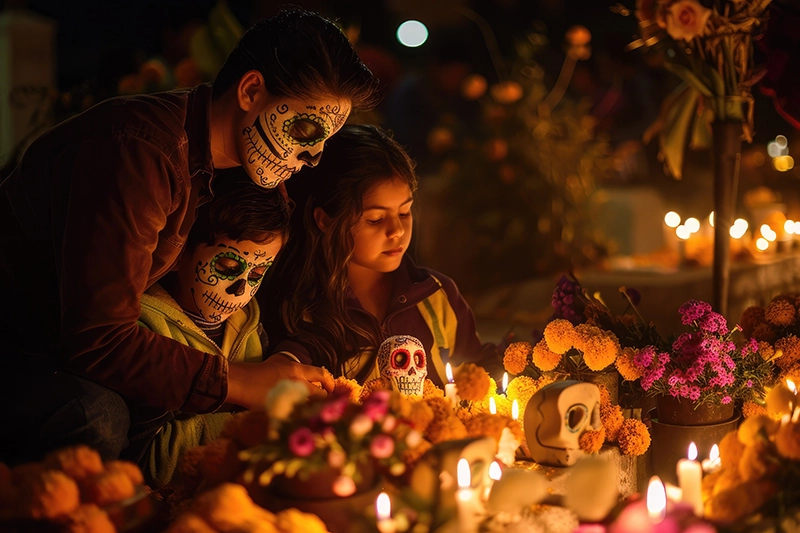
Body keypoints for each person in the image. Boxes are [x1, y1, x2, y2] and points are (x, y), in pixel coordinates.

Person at [0, 8, 377, 464]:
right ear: (251, 90)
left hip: (58, 341)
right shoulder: (141, 154)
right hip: (20, 341)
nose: (313, 156)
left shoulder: (243, 162)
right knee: (95, 415)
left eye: (325, 140)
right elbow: (98, 338)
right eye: (304, 129)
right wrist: (237, 380)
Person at [261, 124, 501, 386]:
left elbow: (477, 371)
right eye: (375, 219)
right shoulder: (301, 311)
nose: (397, 230)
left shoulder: (436, 295)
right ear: (325, 220)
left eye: (405, 212)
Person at [136, 169, 289, 488]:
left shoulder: (249, 327)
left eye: (258, 272)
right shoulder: (146, 330)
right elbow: (154, 462)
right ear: (178, 253)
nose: (240, 290)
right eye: (227, 267)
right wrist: (248, 422)